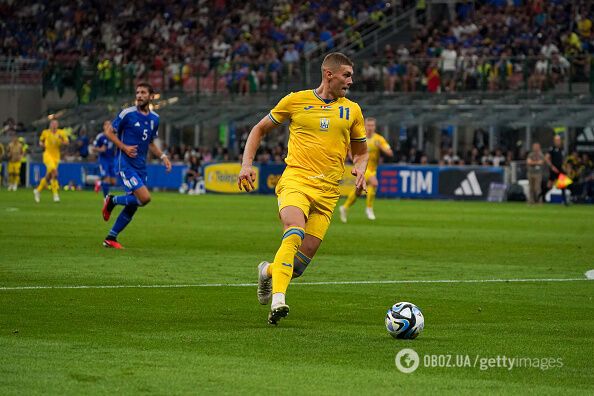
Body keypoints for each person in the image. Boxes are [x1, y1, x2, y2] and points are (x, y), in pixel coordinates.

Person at [237, 52, 368, 325]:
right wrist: (246, 164)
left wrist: (361, 169)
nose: (351, 81)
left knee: (297, 266)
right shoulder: (295, 100)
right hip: (296, 180)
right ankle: (278, 300)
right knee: (293, 232)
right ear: (328, 74)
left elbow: (361, 151)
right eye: (347, 75)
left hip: (329, 192)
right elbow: (258, 129)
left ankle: (267, 272)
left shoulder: (352, 110)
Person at [101, 83, 171, 249]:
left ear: (151, 96)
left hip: (141, 166)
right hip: (126, 164)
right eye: (137, 92)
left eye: (143, 92)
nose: (139, 95)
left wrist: (163, 156)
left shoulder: (155, 118)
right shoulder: (127, 113)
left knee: (133, 205)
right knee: (144, 198)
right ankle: (112, 200)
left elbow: (151, 142)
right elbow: (109, 132)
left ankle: (111, 237)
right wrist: (124, 147)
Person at [339, 117, 393, 222]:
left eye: (372, 125)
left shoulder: (379, 139)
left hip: (373, 169)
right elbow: (349, 148)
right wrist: (353, 158)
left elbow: (390, 153)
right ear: (365, 125)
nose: (370, 127)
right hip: (362, 168)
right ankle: (369, 208)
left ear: (375, 126)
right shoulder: (360, 137)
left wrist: (381, 147)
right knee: (374, 183)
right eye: (368, 125)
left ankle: (344, 207)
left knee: (358, 191)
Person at [34, 119, 69, 203]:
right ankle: (55, 194)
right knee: (54, 172)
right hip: (47, 155)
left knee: (49, 175)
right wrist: (41, 144)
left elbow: (67, 143)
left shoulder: (61, 133)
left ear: (57, 125)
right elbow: (41, 141)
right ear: (50, 125)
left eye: (55, 124)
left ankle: (38, 190)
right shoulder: (45, 132)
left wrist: (62, 140)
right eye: (52, 124)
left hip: (56, 156)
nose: (54, 125)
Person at [93, 120, 117, 197]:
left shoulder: (113, 136)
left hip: (112, 160)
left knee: (113, 182)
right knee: (106, 178)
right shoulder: (100, 136)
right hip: (103, 160)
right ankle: (106, 198)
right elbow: (93, 148)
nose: (108, 127)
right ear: (104, 127)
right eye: (106, 125)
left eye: (110, 125)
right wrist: (100, 149)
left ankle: (99, 183)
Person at [545, 135, 567, 205]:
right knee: (549, 185)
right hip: (554, 169)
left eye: (559, 140)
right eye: (557, 140)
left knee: (563, 185)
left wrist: (564, 166)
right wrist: (552, 166)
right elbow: (546, 158)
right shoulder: (552, 149)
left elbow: (563, 159)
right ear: (554, 141)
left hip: (560, 169)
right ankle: (543, 198)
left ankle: (564, 200)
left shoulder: (562, 149)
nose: (558, 142)